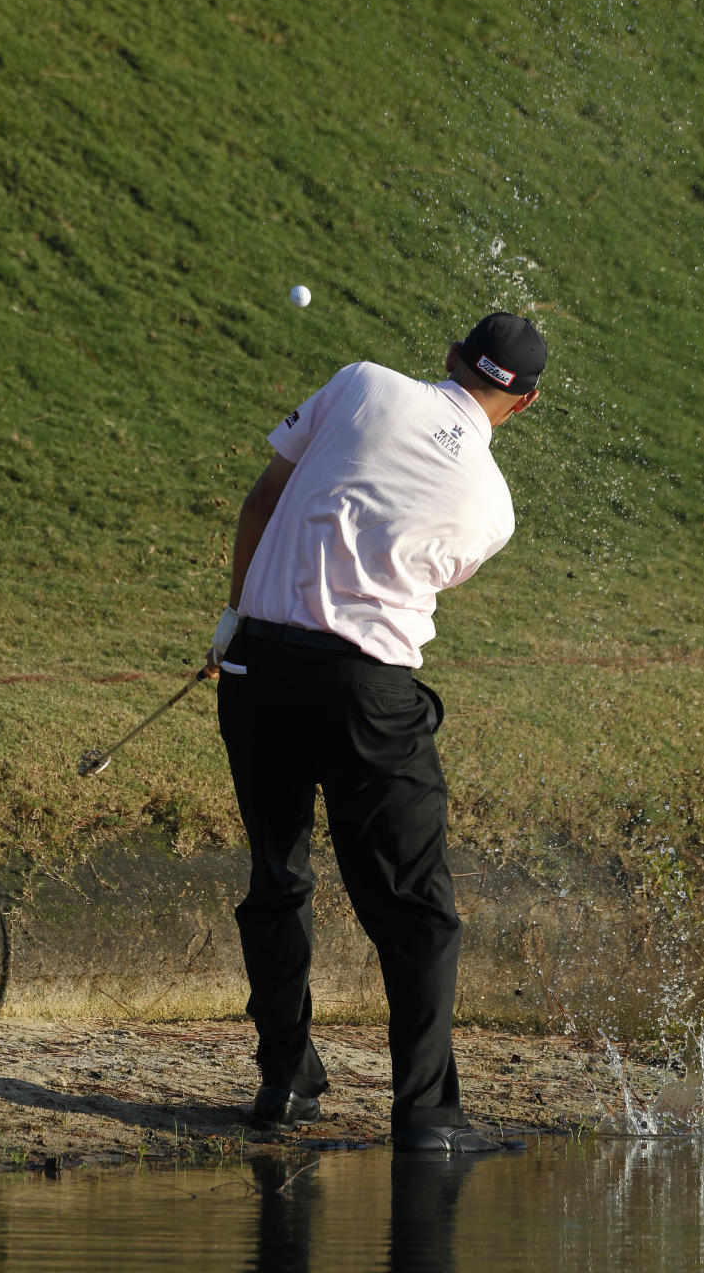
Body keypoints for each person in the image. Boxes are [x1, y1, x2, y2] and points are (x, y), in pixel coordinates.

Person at [205, 311, 546, 1153]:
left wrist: (234, 621)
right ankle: (426, 1117)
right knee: (417, 911)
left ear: (450, 356)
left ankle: (285, 1080)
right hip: (366, 694)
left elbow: (262, 500)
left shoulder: (361, 382)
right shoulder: (494, 507)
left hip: (257, 669)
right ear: (526, 403)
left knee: (278, 872)